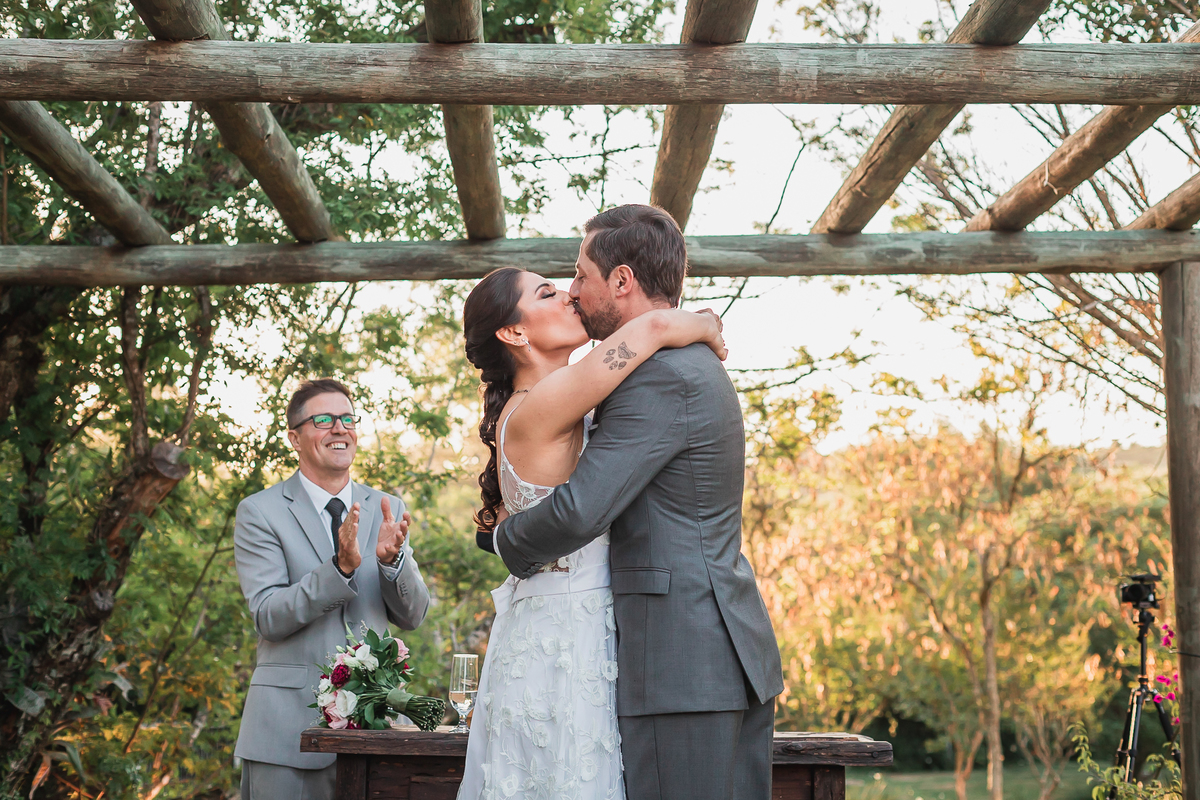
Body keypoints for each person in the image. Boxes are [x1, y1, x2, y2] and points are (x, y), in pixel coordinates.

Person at [489, 204, 784, 800]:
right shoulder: (669, 362)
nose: (573, 293)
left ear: (621, 280)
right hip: (693, 653)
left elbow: (579, 512)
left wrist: (502, 538)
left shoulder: (659, 377)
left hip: (684, 661)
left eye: (579, 276)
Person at [456, 254, 729, 800]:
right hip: (563, 636)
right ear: (514, 332)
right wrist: (707, 325)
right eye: (546, 294)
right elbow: (650, 326)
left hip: (563, 623)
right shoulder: (542, 402)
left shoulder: (551, 399)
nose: (568, 297)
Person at [233, 378, 430, 800]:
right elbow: (269, 616)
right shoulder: (259, 512)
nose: (339, 428)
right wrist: (339, 568)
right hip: (286, 734)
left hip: (375, 730)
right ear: (295, 437)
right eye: (323, 419)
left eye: (347, 418)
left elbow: (413, 616)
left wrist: (392, 563)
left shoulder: (387, 508)